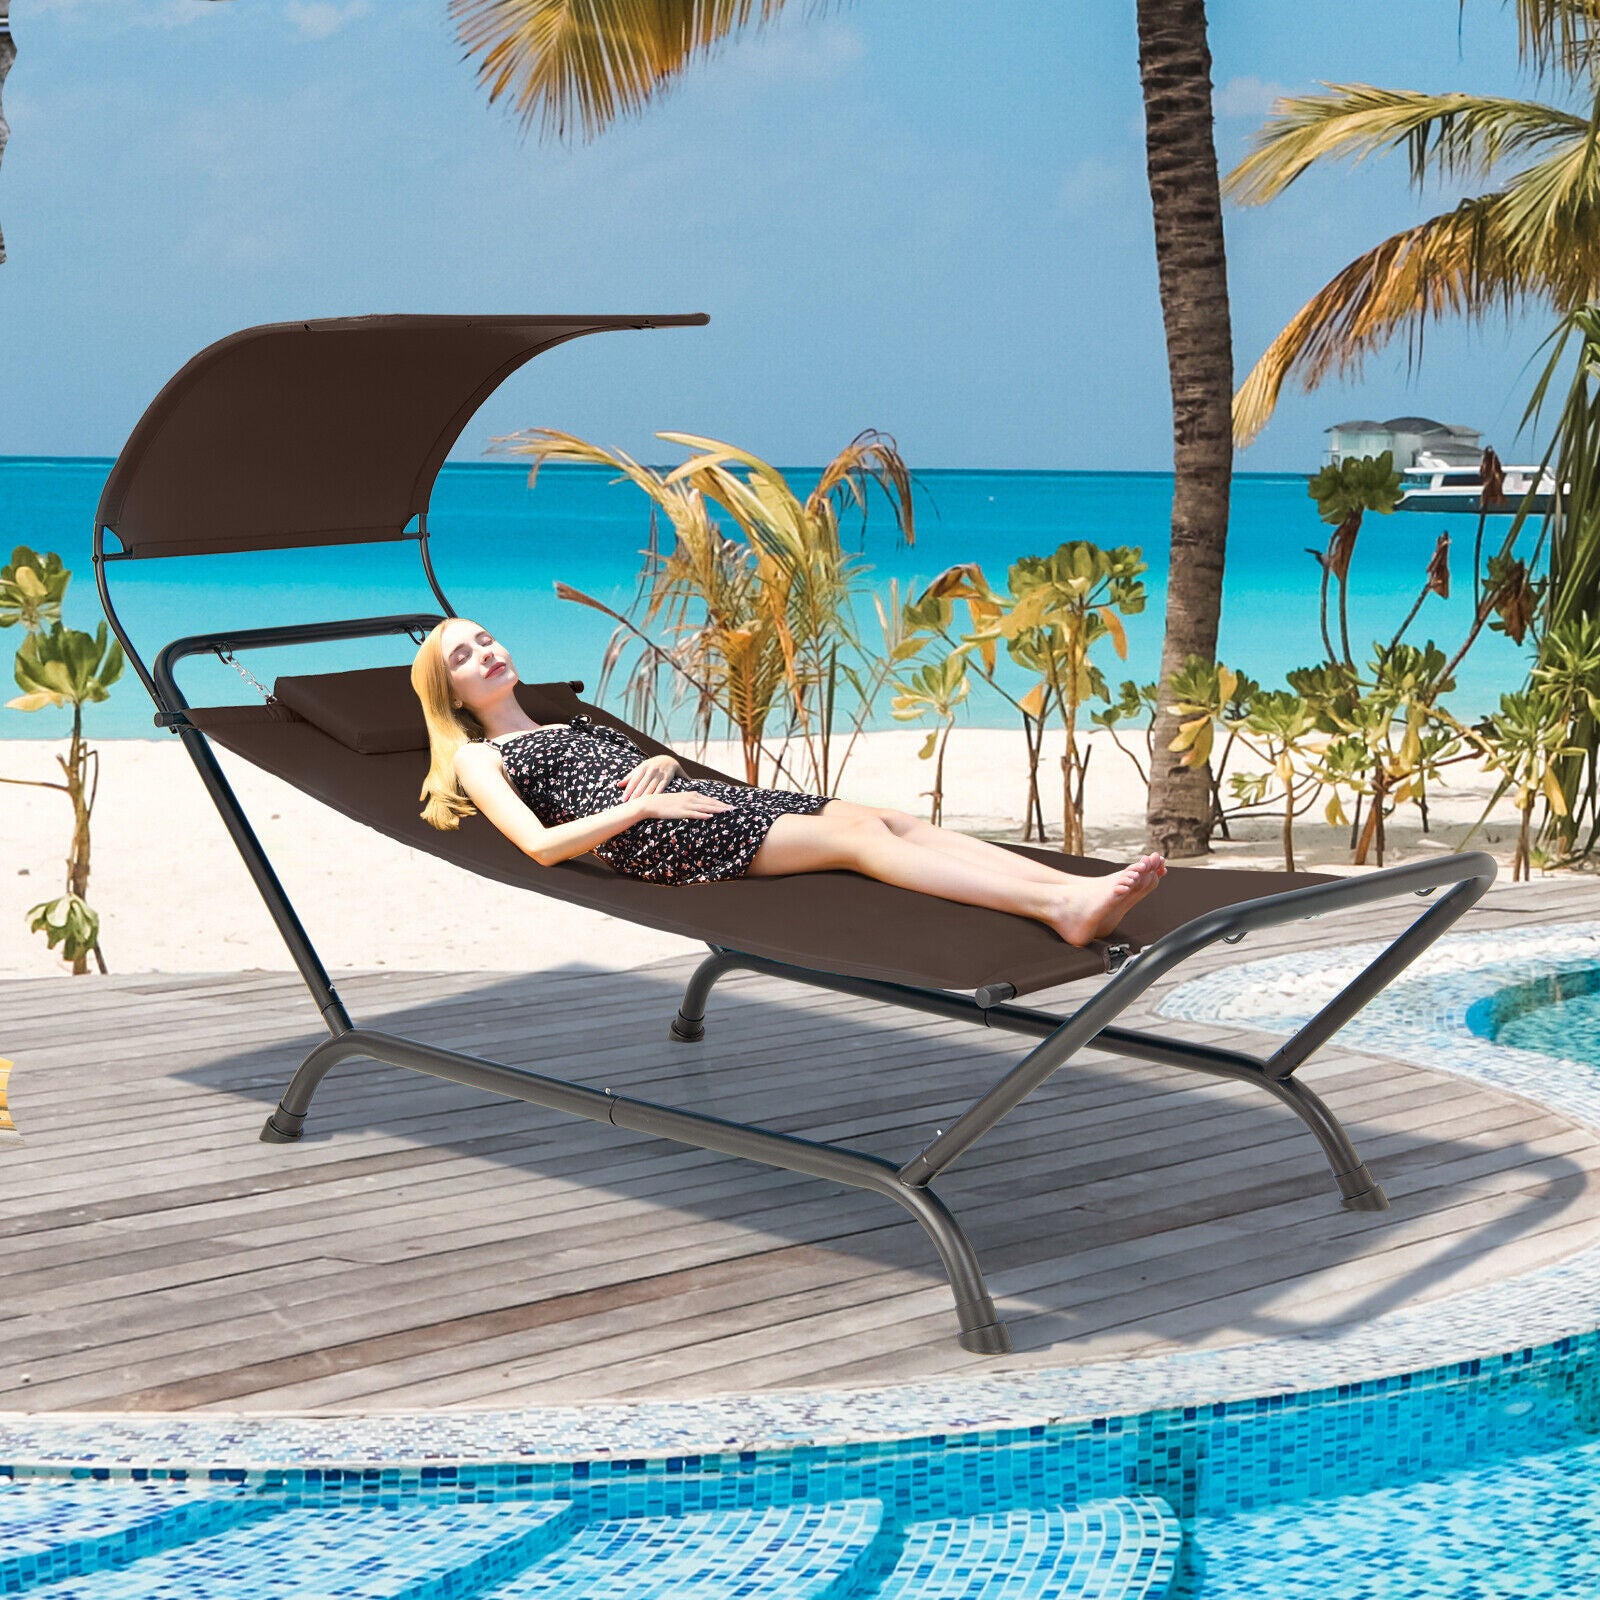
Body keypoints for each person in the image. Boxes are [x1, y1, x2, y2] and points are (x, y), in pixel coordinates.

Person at [413, 617, 1166, 948]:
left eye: (486, 639)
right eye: (463, 658)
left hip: (695, 804)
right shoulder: (480, 757)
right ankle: (1057, 908)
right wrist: (643, 809)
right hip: (657, 839)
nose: (486, 654)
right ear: (451, 695)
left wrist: (664, 766)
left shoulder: (570, 722)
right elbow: (543, 846)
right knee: (860, 840)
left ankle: (1070, 886)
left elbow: (641, 769)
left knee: (889, 818)